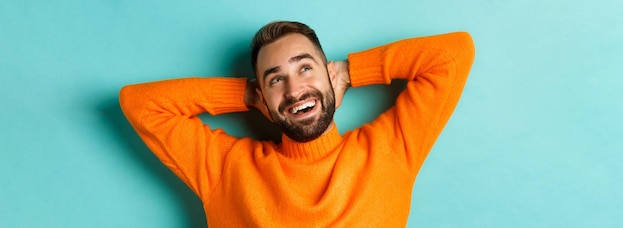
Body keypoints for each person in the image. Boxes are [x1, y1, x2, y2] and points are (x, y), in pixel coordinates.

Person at [120, 21, 475, 227]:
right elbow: (139, 103)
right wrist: (246, 95)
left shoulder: (390, 150)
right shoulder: (227, 169)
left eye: (305, 68)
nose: (294, 90)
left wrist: (351, 72)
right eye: (276, 79)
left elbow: (452, 55)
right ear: (262, 95)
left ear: (328, 74)